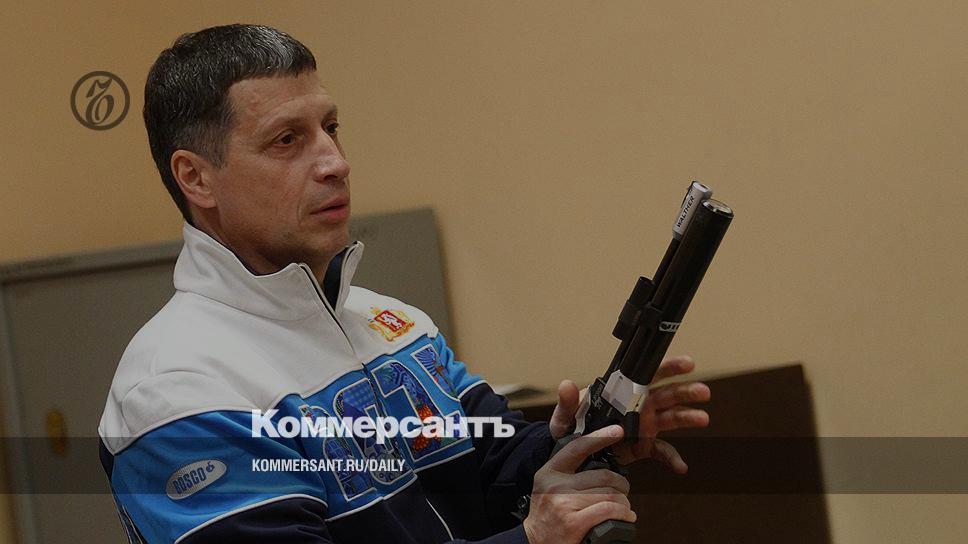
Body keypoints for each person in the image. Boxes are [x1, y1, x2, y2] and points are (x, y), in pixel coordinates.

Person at [97, 24, 711, 544]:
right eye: (287, 140)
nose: (335, 162)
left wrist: (592, 437)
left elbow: (488, 458)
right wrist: (531, 539)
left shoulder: (393, 325)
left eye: (331, 127)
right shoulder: (177, 391)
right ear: (196, 178)